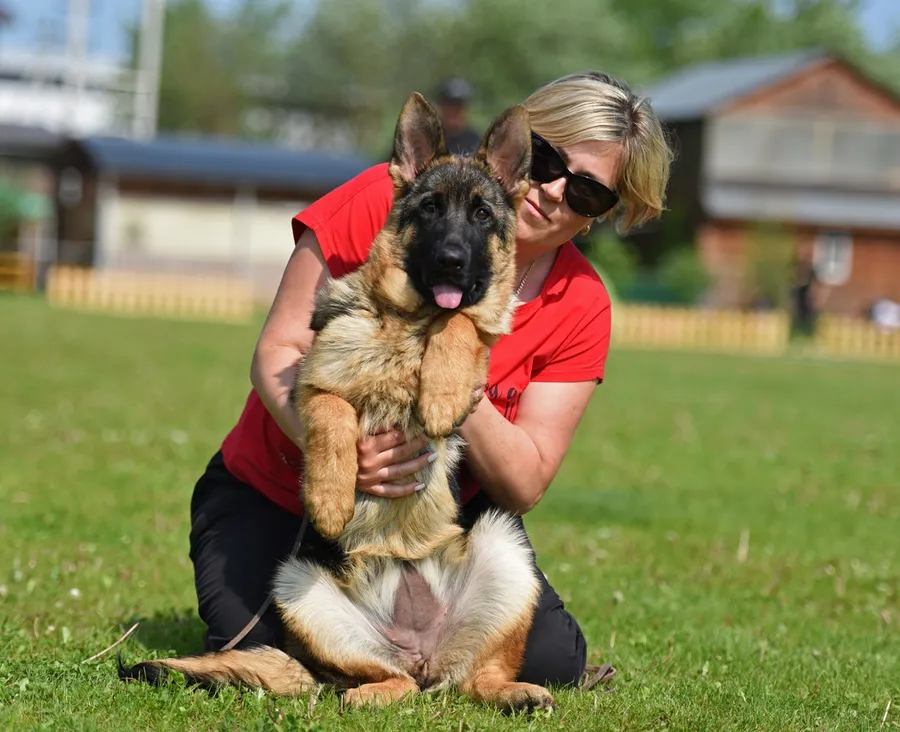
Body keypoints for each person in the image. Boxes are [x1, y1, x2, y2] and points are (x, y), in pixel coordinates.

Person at [189, 71, 673, 688]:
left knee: (549, 661)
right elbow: (278, 349)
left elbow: (523, 482)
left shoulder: (581, 303)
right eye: (548, 161)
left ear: (601, 214)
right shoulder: (393, 202)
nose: (552, 191)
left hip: (430, 522)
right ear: (521, 154)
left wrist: (461, 374)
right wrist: (339, 452)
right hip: (280, 490)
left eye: (586, 193)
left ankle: (422, 656)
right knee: (255, 639)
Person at [435, 76, 482, 155]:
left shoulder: (476, 143)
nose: (454, 110)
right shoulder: (431, 140)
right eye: (450, 104)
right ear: (441, 106)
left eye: (459, 105)